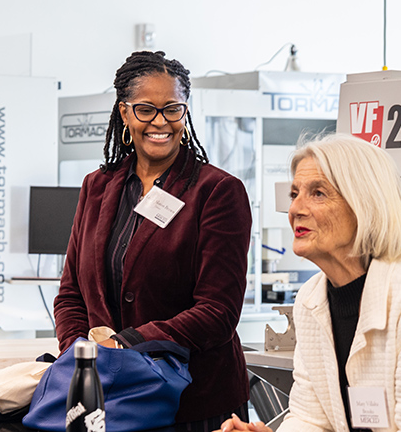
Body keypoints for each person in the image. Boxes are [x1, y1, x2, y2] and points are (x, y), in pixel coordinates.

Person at [221, 134, 401, 432]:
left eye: (318, 193)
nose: (295, 209)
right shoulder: (311, 299)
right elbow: (311, 418)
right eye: (295, 194)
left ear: (365, 206)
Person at [53, 50, 253, 431]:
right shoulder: (97, 187)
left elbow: (218, 312)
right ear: (124, 113)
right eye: (146, 110)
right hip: (111, 398)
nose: (160, 122)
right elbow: (71, 294)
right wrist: (82, 360)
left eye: (172, 109)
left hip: (193, 403)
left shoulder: (217, 191)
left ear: (185, 112)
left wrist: (125, 344)